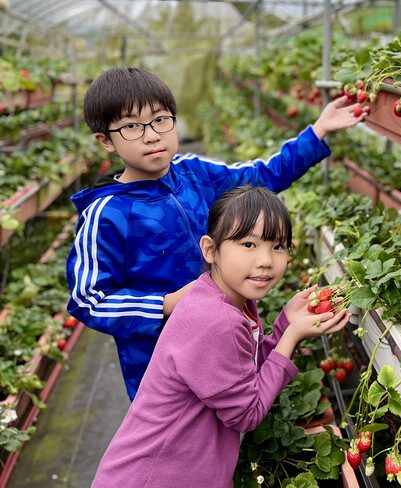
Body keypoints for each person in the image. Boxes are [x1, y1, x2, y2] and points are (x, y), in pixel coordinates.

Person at [67, 67, 363, 399]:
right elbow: (88, 301)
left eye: (161, 119)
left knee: (234, 415)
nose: (152, 135)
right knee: (185, 437)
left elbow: (260, 176)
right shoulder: (106, 215)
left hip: (228, 337)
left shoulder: (195, 173)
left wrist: (319, 130)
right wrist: (166, 304)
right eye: (132, 127)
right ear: (105, 140)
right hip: (163, 367)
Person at [92, 185, 351, 487]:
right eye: (249, 244)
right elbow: (247, 413)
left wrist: (284, 325)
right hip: (153, 477)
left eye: (278, 246)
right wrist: (291, 336)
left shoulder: (219, 297)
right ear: (210, 249)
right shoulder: (217, 320)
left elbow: (242, 373)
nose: (266, 259)